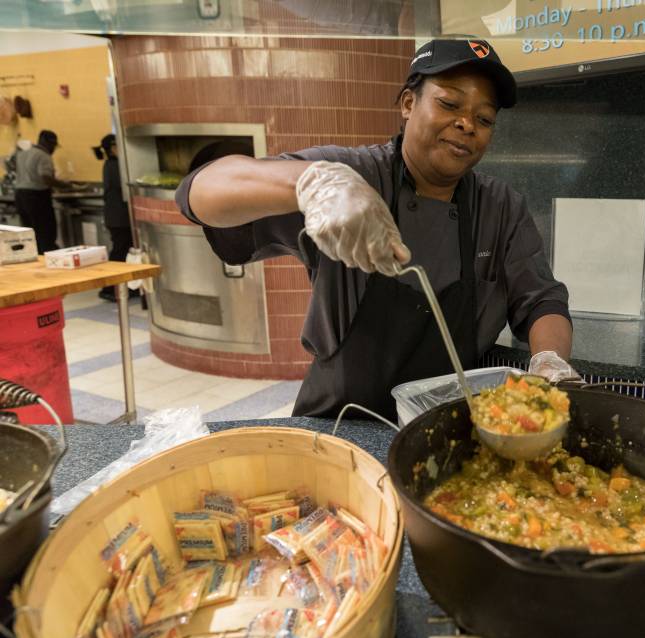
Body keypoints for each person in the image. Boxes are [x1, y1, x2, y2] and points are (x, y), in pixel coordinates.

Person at [176, 39, 578, 418]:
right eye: (450, 103)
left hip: (449, 427)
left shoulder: (501, 207)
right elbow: (200, 192)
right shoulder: (355, 173)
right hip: (340, 421)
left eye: (484, 118)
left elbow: (542, 300)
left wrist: (549, 363)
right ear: (408, 103)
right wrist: (313, 183)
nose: (467, 124)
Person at [14, 130, 71, 253]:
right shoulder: (43, 155)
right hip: (37, 198)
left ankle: (34, 257)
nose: (53, 149)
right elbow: (45, 177)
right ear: (47, 143)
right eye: (53, 145)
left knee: (30, 233)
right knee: (45, 233)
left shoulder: (24, 153)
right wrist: (65, 186)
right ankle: (49, 258)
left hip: (20, 196)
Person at [95, 134, 136, 302]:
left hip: (115, 217)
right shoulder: (116, 166)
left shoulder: (110, 165)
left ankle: (117, 287)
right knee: (119, 252)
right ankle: (110, 288)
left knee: (121, 250)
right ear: (113, 148)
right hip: (119, 218)